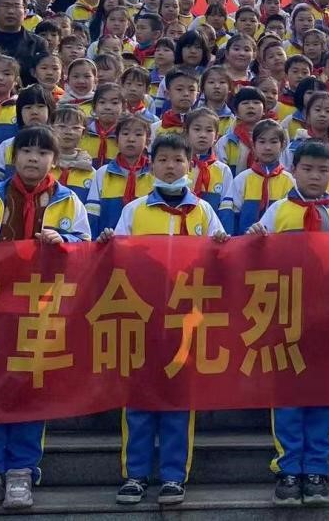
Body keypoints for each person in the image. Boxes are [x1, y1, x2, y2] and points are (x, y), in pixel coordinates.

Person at [0, 125, 90, 513]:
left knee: (33, 390)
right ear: (13, 156)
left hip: (43, 309)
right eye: (27, 151)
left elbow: (86, 251)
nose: (34, 158)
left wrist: (63, 243)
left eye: (43, 152)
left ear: (55, 160)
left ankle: (22, 470)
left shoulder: (69, 202)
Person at [103, 132, 226, 507]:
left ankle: (173, 476)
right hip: (142, 316)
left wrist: (223, 247)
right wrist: (109, 244)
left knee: (178, 398)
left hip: (186, 319)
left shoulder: (204, 212)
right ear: (150, 165)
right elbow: (118, 260)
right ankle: (135, 475)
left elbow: (221, 260)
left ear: (191, 165)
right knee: (138, 397)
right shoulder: (134, 210)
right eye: (163, 160)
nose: (171, 166)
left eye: (178, 160)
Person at [246, 141, 329, 505]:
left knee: (324, 395)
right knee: (288, 396)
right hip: (285, 316)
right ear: (293, 170)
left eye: (323, 170)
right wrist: (253, 241)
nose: (315, 176)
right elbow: (251, 254)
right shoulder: (278, 211)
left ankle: (317, 469)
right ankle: (289, 468)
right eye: (307, 169)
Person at [85, 114, 153, 237]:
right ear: (116, 141)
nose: (131, 139)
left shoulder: (154, 174)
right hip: (107, 241)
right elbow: (92, 213)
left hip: (144, 242)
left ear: (147, 141)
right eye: (125, 134)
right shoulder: (103, 173)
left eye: (138, 134)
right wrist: (95, 242)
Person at [223, 120, 294, 233]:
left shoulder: (290, 181)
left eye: (273, 142)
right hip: (245, 241)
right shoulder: (243, 179)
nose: (267, 147)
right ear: (253, 145)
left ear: (283, 145)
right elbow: (229, 213)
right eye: (262, 142)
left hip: (277, 241)